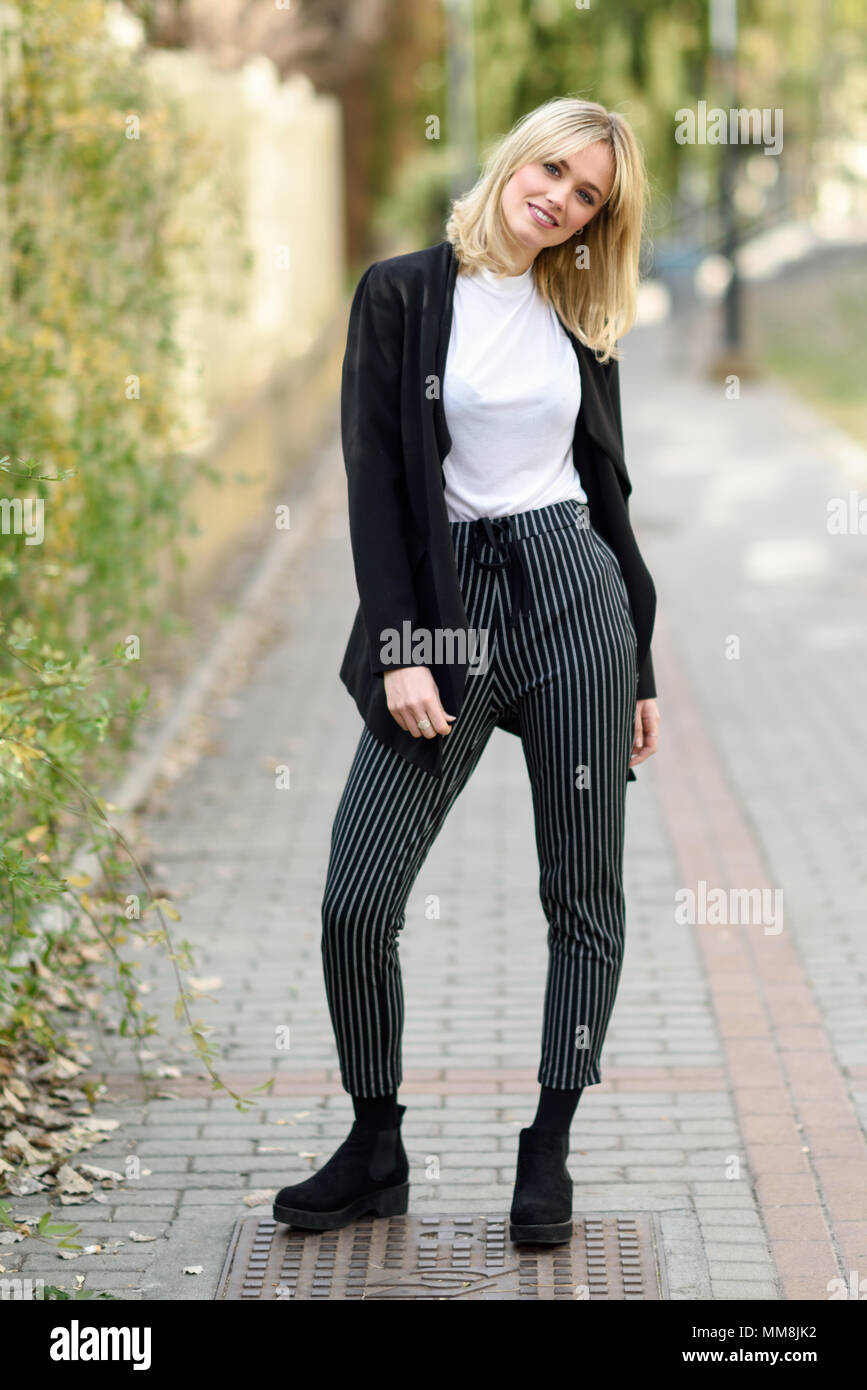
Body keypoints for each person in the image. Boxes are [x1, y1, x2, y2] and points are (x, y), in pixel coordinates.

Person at [274, 96, 661, 1245]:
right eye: (553, 168)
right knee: (357, 897)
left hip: (575, 600)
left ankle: (549, 1149)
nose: (561, 197)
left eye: (588, 194)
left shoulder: (580, 316)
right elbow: (376, 480)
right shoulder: (400, 293)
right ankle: (374, 1140)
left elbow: (609, 489)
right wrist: (403, 647)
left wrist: (636, 657)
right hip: (449, 614)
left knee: (582, 896)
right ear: (513, 158)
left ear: (597, 218)